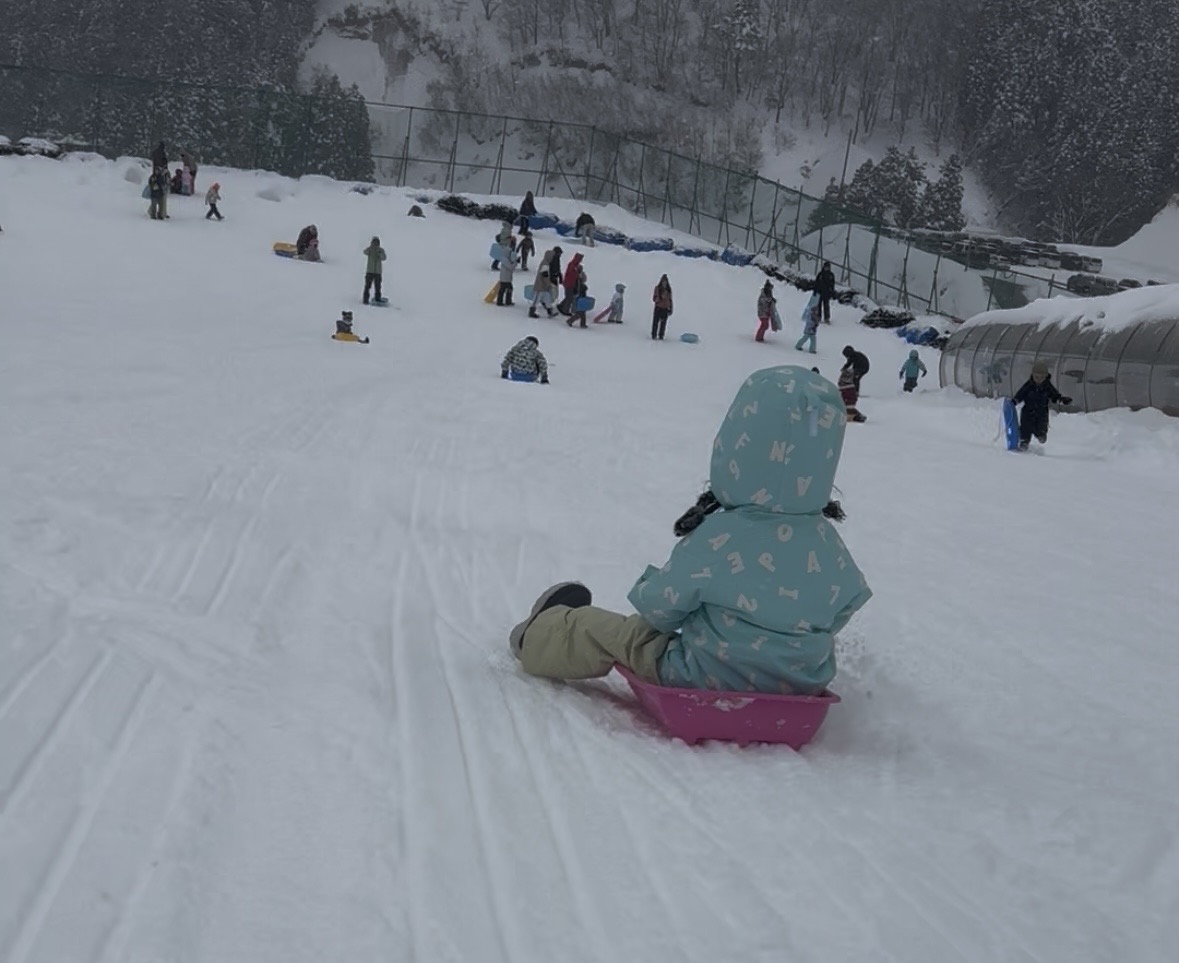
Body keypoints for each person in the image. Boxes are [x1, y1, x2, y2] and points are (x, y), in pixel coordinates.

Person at [508, 365, 872, 694]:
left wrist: (656, 589)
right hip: (799, 686)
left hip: (701, 677)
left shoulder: (724, 536)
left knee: (619, 634)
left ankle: (537, 637)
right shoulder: (827, 543)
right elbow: (846, 604)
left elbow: (660, 610)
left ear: (735, 450)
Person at [1012, 360, 1071, 451]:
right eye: (1036, 377)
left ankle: (1041, 434)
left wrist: (1062, 400)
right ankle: (1024, 442)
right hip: (1028, 412)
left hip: (1041, 412)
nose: (1039, 379)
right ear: (1032, 375)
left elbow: (1054, 396)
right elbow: (1020, 395)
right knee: (1025, 428)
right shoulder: (1028, 386)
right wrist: (1014, 402)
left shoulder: (1047, 387)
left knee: (1040, 428)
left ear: (1046, 377)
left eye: (1042, 377)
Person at [529, 250, 559, 318]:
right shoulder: (545, 264)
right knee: (536, 298)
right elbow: (544, 275)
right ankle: (531, 311)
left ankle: (550, 311)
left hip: (543, 285)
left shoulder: (545, 263)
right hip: (541, 285)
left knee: (547, 297)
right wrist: (548, 283)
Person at [363, 236, 386, 304]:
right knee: (367, 286)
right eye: (374, 242)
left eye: (376, 243)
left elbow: (384, 258)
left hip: (378, 272)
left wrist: (379, 252)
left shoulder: (381, 250)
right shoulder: (370, 249)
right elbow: (365, 252)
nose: (375, 244)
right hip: (369, 271)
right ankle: (365, 299)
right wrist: (371, 248)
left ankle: (377, 298)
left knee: (378, 287)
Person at [565, 262, 589, 327]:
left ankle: (582, 324)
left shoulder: (581, 280)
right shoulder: (577, 280)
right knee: (580, 313)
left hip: (580, 297)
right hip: (579, 297)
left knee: (581, 313)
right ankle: (571, 321)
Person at [651, 274, 673, 340]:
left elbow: (670, 299)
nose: (664, 283)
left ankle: (661, 335)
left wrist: (670, 308)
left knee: (663, 323)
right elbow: (654, 298)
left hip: (665, 308)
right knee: (656, 322)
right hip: (658, 307)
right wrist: (660, 298)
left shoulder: (668, 290)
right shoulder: (657, 288)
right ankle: (654, 334)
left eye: (665, 282)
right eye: (663, 282)